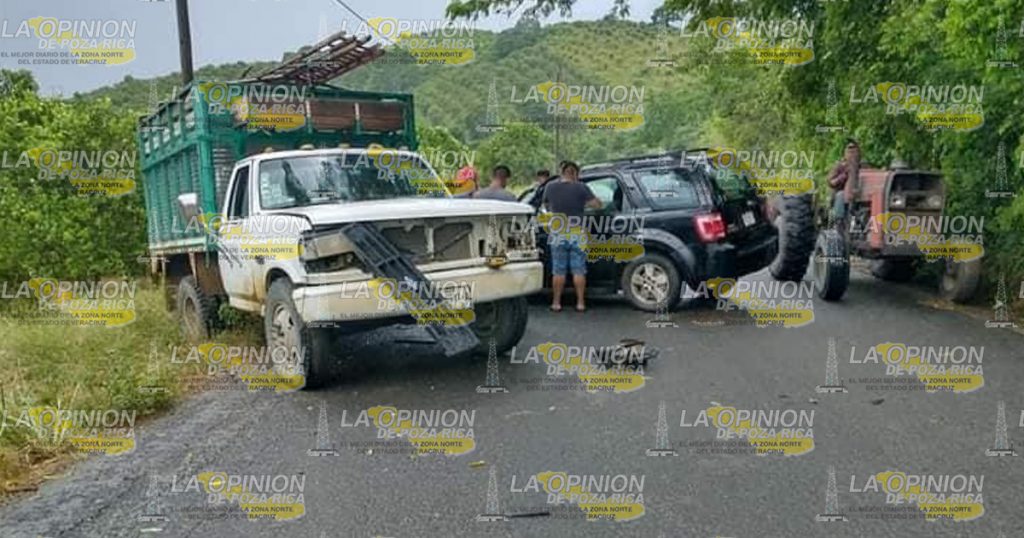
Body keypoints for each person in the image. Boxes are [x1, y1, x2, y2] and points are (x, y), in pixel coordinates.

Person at [542, 161, 602, 312]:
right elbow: (597, 205)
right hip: (577, 231)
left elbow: (547, 206)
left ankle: (556, 303)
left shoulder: (550, 187)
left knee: (558, 270)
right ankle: (580, 303)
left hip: (558, 231)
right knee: (579, 269)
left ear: (562, 172)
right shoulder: (581, 187)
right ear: (575, 173)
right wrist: (583, 204)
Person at [827, 140, 861, 224]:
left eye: (854, 151)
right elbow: (830, 182)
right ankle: (839, 220)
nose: (852, 154)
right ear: (845, 153)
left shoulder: (862, 166)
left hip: (859, 192)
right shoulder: (840, 166)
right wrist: (842, 177)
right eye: (850, 151)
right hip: (841, 192)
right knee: (840, 195)